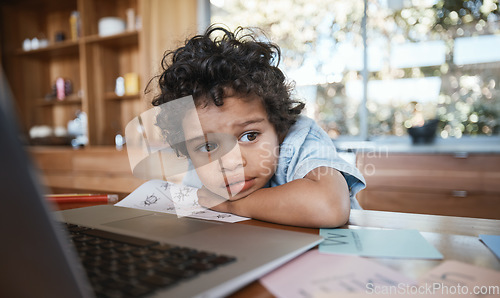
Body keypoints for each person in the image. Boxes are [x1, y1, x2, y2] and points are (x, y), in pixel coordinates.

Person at [151, 25, 365, 228]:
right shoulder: (199, 164)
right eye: (209, 147)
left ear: (279, 128)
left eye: (250, 136)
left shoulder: (300, 139)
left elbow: (329, 206)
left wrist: (230, 205)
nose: (231, 162)